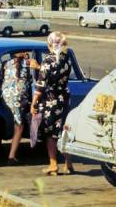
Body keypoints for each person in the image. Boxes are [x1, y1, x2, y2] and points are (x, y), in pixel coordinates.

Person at [30, 31, 74, 175]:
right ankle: (68, 164)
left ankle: (53, 164)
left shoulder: (48, 60)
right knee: (63, 131)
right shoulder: (67, 59)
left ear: (50, 45)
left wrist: (34, 103)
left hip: (50, 100)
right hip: (64, 98)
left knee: (51, 133)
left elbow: (41, 85)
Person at [0, 52, 33, 165]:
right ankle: (12, 156)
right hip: (19, 98)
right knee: (19, 126)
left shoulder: (5, 63)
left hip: (5, 97)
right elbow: (33, 81)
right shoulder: (29, 64)